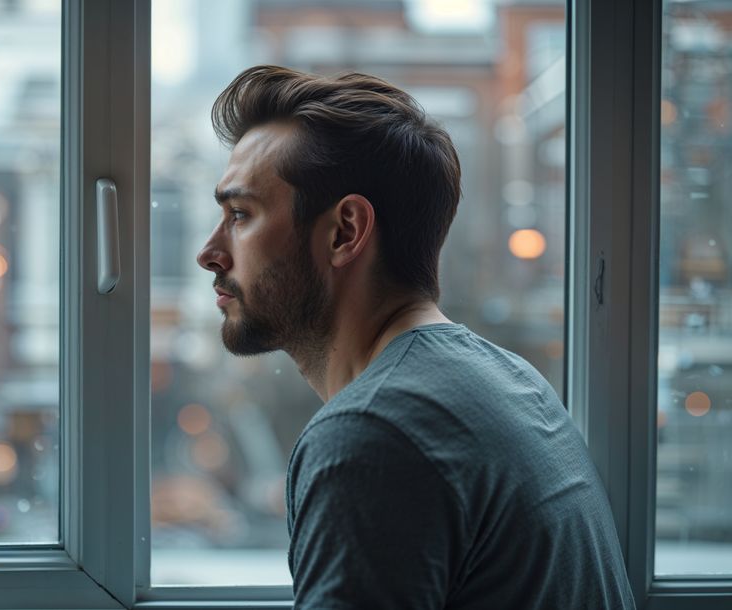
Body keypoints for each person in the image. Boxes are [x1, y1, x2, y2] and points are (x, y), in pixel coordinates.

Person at [196, 65, 636, 609]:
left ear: (344, 232)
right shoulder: (510, 379)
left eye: (241, 214)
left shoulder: (370, 437)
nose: (210, 252)